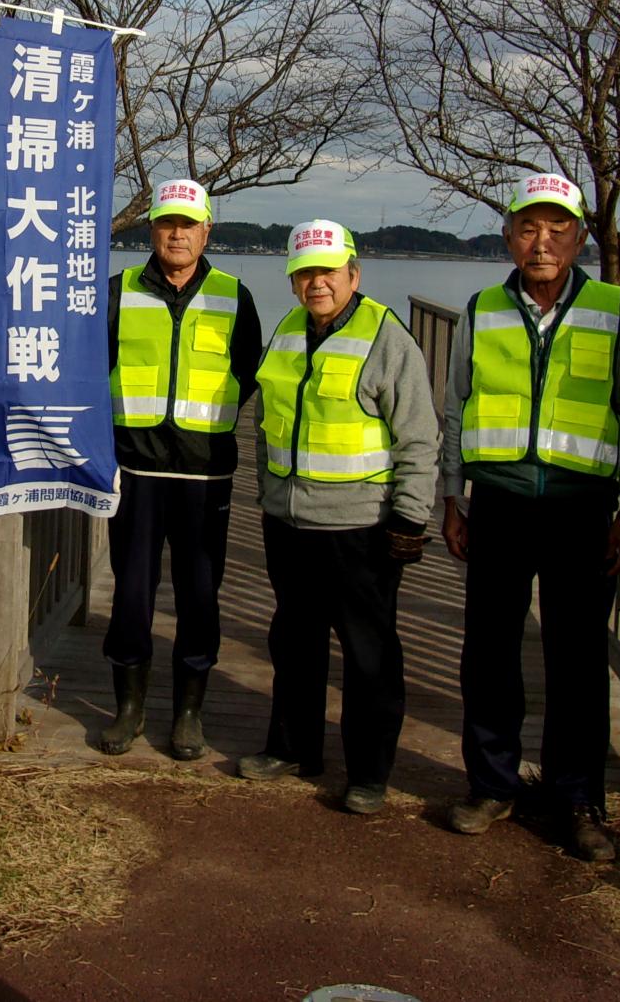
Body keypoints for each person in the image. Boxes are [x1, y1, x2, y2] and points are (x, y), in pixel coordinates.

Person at [440, 173, 620, 862]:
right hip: (498, 500)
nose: (542, 241)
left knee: (578, 657)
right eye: (528, 228)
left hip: (581, 506)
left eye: (557, 229)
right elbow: (456, 403)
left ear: (579, 238)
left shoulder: (614, 310)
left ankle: (577, 797)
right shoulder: (483, 307)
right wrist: (453, 496)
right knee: (490, 650)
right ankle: (491, 784)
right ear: (509, 236)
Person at [238, 220, 439, 815]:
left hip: (362, 527)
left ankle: (368, 773)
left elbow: (419, 436)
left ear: (354, 273)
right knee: (294, 642)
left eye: (328, 271)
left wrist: (410, 515)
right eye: (304, 273)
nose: (316, 283)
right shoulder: (287, 331)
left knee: (368, 653)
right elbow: (269, 422)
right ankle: (293, 748)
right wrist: (270, 494)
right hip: (290, 521)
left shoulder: (387, 338)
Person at [100, 178, 262, 759]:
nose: (177, 233)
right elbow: (97, 366)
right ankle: (129, 708)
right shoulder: (117, 292)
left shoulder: (234, 295)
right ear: (153, 229)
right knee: (132, 594)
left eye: (188, 224)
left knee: (200, 595)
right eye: (167, 223)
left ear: (205, 231)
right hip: (135, 472)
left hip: (205, 475)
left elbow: (246, 373)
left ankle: (189, 714)